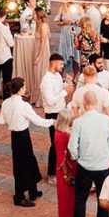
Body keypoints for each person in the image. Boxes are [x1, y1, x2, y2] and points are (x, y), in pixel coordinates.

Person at [68, 91, 109, 217]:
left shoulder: (78, 122)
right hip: (102, 165)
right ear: (96, 103)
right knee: (102, 199)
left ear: (84, 103)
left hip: (85, 165)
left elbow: (72, 147)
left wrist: (76, 157)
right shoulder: (106, 120)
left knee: (80, 199)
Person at [0, 77, 52, 207]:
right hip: (23, 136)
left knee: (27, 162)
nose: (25, 89)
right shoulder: (23, 105)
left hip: (15, 136)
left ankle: (32, 190)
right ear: (20, 89)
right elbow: (37, 120)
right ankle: (19, 196)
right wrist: (52, 122)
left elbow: (1, 121)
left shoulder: (6, 103)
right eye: (24, 87)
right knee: (23, 165)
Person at [40, 54, 71, 182]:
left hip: (61, 111)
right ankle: (51, 174)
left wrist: (66, 83)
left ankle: (62, 166)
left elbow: (59, 88)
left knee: (63, 141)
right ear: (53, 63)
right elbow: (50, 100)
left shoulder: (57, 76)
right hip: (52, 113)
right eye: (61, 64)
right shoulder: (46, 80)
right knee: (55, 143)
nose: (62, 66)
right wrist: (66, 92)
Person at [53, 110, 75, 217]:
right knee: (67, 199)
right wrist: (66, 174)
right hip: (66, 170)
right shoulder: (62, 136)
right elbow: (61, 158)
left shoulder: (60, 132)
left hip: (69, 167)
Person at [55, 0, 80, 80]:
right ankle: (61, 75)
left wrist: (74, 22)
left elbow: (83, 21)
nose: (71, 0)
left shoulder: (78, 8)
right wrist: (64, 22)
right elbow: (58, 23)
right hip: (65, 35)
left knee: (75, 54)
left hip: (75, 33)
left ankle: (76, 76)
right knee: (63, 54)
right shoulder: (62, 8)